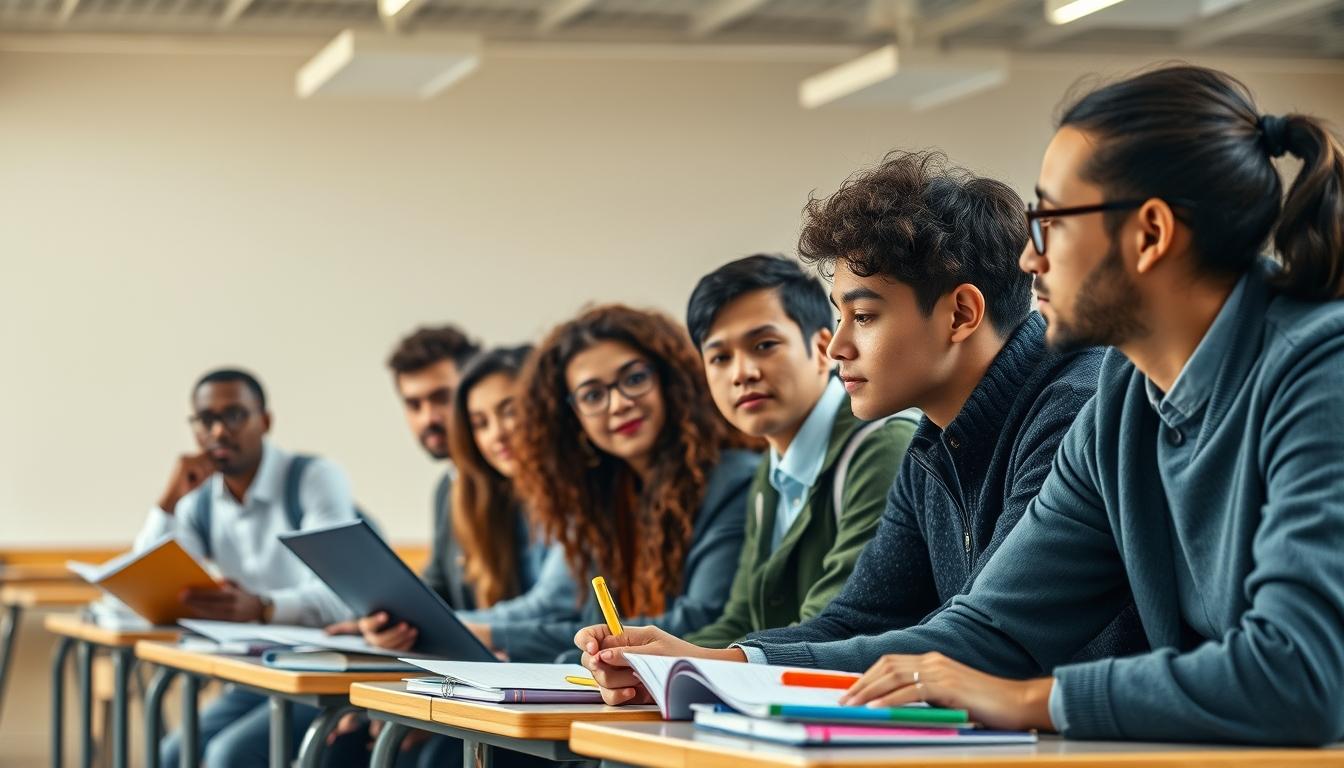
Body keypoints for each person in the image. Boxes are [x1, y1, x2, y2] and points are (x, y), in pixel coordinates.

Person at [772, 65, 1344, 747]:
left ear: (1151, 233)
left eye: (1049, 223)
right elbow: (992, 630)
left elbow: (1301, 675)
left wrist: (1025, 699)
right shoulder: (1125, 401)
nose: (1028, 261)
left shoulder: (1321, 372)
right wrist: (721, 669)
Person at [576, 151, 1142, 703]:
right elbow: (858, 618)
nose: (840, 345)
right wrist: (703, 661)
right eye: (839, 314)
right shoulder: (934, 442)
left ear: (961, 314)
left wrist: (722, 665)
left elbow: (986, 640)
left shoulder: (1074, 406)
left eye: (864, 316)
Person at [329, 346, 579, 767]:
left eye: (509, 412)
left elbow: (551, 607)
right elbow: (438, 587)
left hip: (537, 676)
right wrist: (391, 621)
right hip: (488, 670)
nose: (496, 434)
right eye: (481, 422)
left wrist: (448, 629)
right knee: (353, 739)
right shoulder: (474, 490)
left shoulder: (572, 493)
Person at [667, 254, 915, 649]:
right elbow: (742, 620)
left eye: (764, 345)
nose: (742, 373)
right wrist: (640, 658)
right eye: (719, 358)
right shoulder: (773, 466)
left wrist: (679, 661)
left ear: (821, 348)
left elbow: (834, 625)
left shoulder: (880, 446)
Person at [488, 305, 762, 662]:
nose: (618, 404)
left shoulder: (733, 479)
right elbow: (592, 622)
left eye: (634, 379)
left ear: (668, 380)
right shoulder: (607, 496)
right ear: (571, 418)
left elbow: (703, 620)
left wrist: (576, 658)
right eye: (592, 395)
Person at [138, 369, 359, 768]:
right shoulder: (201, 501)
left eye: (235, 415)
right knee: (172, 753)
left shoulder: (311, 480)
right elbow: (143, 585)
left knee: (229, 756)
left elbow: (342, 600)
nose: (219, 432)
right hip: (258, 671)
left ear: (266, 421)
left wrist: (262, 607)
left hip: (325, 671)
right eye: (206, 420)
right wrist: (168, 501)